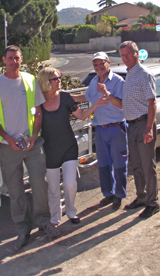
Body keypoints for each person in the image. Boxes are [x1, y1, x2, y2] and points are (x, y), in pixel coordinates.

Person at [0, 45, 59, 250]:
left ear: (21, 59)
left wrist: (34, 136)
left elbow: (39, 111)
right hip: (8, 147)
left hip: (32, 144)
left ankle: (43, 222)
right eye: (10, 58)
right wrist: (8, 138)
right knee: (15, 190)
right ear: (4, 60)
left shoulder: (30, 80)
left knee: (39, 183)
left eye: (16, 58)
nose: (13, 61)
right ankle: (23, 229)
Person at [38, 67, 108, 226]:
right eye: (55, 78)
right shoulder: (38, 102)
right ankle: (55, 217)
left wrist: (96, 105)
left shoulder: (65, 97)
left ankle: (71, 212)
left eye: (59, 77)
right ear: (46, 82)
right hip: (50, 151)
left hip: (69, 147)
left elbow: (82, 116)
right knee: (53, 188)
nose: (59, 81)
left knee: (70, 184)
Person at [108, 41, 160, 219]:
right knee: (136, 165)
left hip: (143, 125)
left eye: (128, 54)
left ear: (137, 54)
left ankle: (153, 203)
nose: (126, 58)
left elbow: (152, 103)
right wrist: (109, 97)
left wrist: (149, 129)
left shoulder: (144, 75)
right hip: (131, 125)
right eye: (122, 55)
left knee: (147, 166)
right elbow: (125, 104)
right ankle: (142, 197)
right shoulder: (129, 74)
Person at [72, 52, 128, 210]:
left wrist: (107, 93)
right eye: (95, 64)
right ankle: (108, 194)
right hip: (101, 129)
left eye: (101, 63)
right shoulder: (94, 81)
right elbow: (87, 97)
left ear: (108, 63)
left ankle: (119, 195)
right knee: (103, 165)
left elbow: (122, 105)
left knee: (119, 165)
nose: (98, 67)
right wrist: (69, 96)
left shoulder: (118, 81)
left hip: (117, 128)